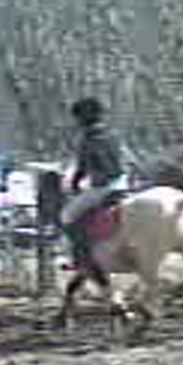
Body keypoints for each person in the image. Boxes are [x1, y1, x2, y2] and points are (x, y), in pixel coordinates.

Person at [60, 97, 130, 269]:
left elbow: (82, 167)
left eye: (77, 117)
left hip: (104, 186)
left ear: (83, 117)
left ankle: (80, 257)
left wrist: (75, 185)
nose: (76, 121)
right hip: (123, 183)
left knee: (67, 215)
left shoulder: (87, 137)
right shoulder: (113, 134)